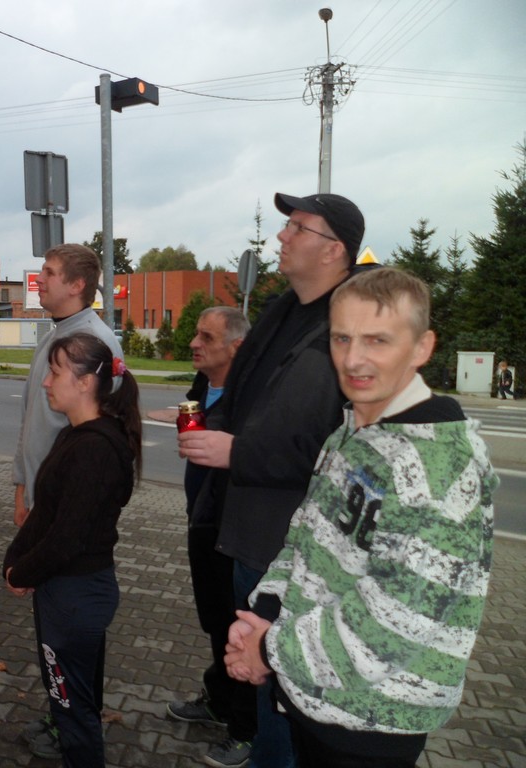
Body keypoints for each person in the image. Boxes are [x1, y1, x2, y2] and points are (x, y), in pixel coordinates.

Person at [224, 267, 497, 768]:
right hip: (317, 692)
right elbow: (305, 539)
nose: (353, 359)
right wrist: (265, 611)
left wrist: (268, 650)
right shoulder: (352, 430)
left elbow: (392, 625)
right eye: (342, 338)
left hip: (371, 719)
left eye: (378, 340)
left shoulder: (439, 467)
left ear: (422, 347)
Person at [174, 192, 365, 768]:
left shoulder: (349, 326)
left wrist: (238, 451)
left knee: (284, 688)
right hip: (246, 530)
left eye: (298, 227)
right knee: (251, 669)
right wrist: (214, 433)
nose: (282, 236)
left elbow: (339, 447)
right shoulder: (283, 311)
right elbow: (242, 400)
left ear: (333, 250)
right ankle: (248, 735)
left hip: (295, 545)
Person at [3, 333, 143, 768]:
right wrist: (15, 561)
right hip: (63, 591)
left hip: (77, 595)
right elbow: (45, 513)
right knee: (72, 700)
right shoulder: (75, 436)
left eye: (55, 372)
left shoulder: (95, 449)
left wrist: (23, 573)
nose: (46, 382)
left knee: (72, 708)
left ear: (84, 383)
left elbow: (67, 537)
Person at [11, 243, 122, 758]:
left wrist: (36, 535)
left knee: (69, 644)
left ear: (78, 285)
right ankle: (68, 715)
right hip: (45, 505)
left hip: (63, 522)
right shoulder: (58, 335)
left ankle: (75, 722)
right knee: (60, 647)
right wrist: (23, 486)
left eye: (50, 273)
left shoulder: (92, 342)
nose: (39, 280)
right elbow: (33, 424)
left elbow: (93, 449)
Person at [168, 308, 255, 752]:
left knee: (237, 627)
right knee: (214, 621)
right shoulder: (203, 385)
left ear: (236, 347)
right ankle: (219, 702)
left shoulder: (253, 395)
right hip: (201, 518)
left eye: (206, 337)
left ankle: (245, 731)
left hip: (233, 529)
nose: (194, 343)